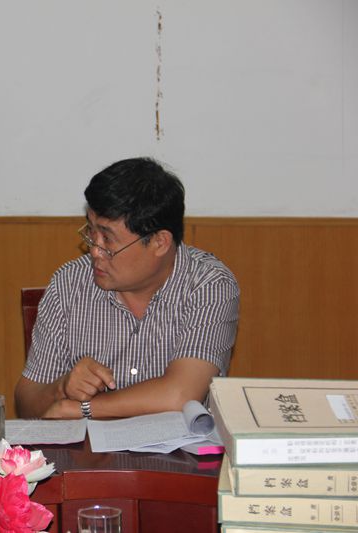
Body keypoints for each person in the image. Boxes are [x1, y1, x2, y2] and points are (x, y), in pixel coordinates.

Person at [15, 157, 239, 420]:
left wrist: (81, 408)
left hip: (183, 447)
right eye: (91, 231)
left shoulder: (210, 286)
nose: (95, 250)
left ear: (159, 242)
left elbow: (180, 395)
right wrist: (60, 388)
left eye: (108, 239)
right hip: (88, 447)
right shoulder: (69, 284)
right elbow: (27, 404)